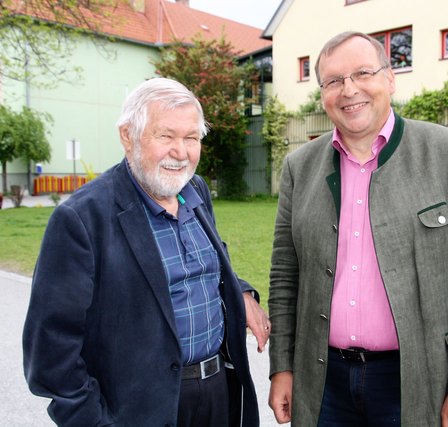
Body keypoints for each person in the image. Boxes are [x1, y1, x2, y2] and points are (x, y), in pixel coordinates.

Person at [267, 31, 448, 427]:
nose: (349, 90)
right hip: (322, 384)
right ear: (322, 94)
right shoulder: (299, 167)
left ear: (389, 79)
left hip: (417, 381)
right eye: (333, 81)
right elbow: (284, 278)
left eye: (363, 73)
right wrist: (282, 369)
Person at [23, 77, 271, 427]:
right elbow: (50, 353)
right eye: (166, 136)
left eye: (191, 138)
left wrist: (239, 290)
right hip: (141, 410)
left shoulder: (194, 190)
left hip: (219, 394)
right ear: (127, 136)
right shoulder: (81, 219)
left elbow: (205, 260)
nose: (181, 152)